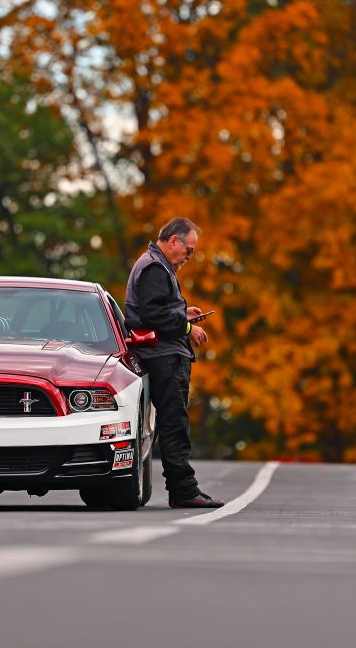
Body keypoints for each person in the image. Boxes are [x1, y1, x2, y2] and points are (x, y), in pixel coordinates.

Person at [125, 217, 224, 508]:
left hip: (161, 355)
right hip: (163, 357)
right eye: (189, 250)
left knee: (171, 422)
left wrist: (183, 312)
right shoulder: (155, 268)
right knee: (173, 423)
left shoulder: (153, 264)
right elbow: (155, 315)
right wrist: (187, 328)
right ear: (173, 241)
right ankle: (183, 491)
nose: (189, 256)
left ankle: (184, 488)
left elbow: (156, 309)